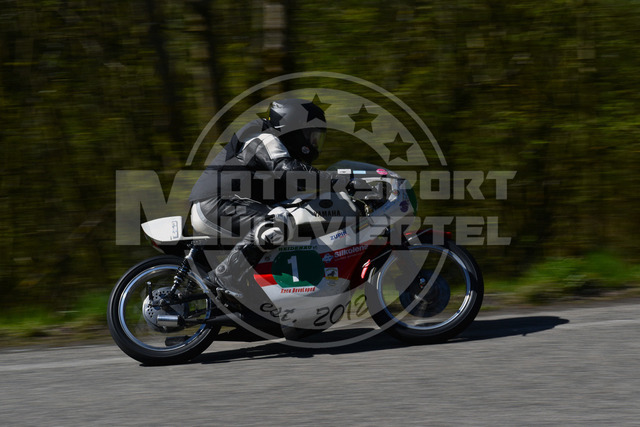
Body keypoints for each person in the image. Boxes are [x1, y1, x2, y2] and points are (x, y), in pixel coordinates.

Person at [189, 98, 333, 300]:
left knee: (291, 219)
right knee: (279, 222)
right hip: (215, 203)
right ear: (294, 128)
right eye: (312, 135)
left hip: (228, 204)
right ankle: (225, 276)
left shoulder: (281, 149)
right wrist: (336, 179)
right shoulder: (264, 137)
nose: (315, 143)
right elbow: (288, 170)